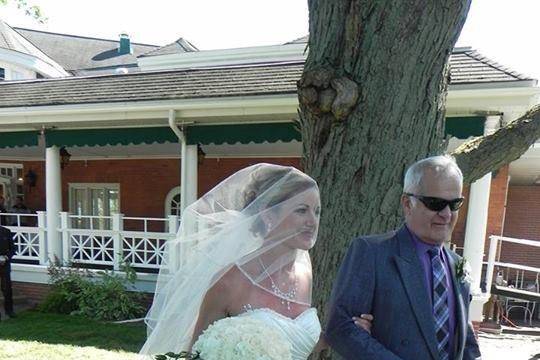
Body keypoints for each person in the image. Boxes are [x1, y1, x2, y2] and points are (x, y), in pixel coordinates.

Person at [141, 164, 328, 359]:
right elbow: (195, 355)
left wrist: (355, 330)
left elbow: (296, 343)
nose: (312, 221)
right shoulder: (229, 282)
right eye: (301, 210)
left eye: (317, 211)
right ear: (268, 213)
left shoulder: (304, 275)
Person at [326, 155, 482, 360]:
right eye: (435, 203)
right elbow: (341, 328)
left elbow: (464, 337)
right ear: (407, 204)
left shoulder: (457, 264)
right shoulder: (372, 253)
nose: (446, 214)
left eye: (454, 204)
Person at [0, 224, 15, 320]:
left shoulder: (6, 231)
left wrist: (6, 257)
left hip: (4, 264)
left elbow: (13, 249)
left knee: (7, 289)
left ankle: (9, 311)